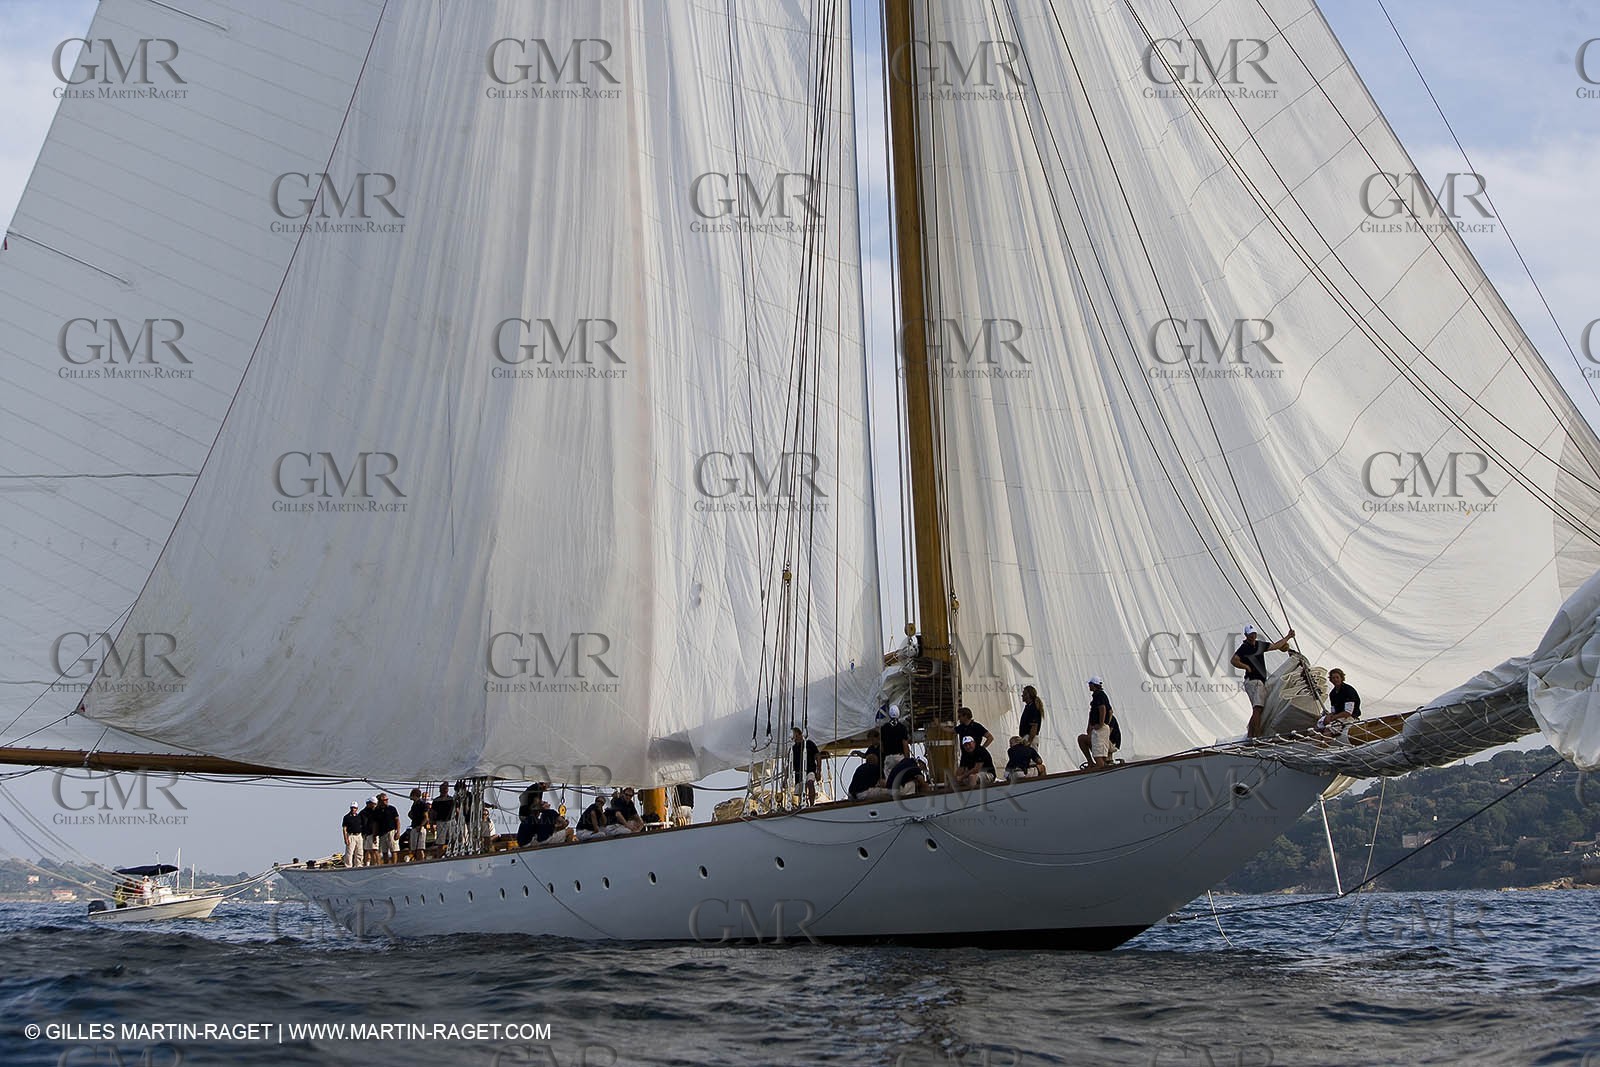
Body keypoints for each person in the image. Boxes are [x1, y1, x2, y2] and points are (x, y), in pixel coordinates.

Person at [1232, 624, 1296, 738]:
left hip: (1257, 681)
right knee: (1258, 709)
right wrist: (1246, 667)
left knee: (1257, 709)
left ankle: (1251, 734)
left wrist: (1288, 637)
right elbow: (1234, 660)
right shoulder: (1245, 647)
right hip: (1254, 681)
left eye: (1254, 634)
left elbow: (1276, 646)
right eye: (1250, 634)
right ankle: (1256, 735)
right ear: (1246, 635)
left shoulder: (1259, 645)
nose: (1252, 636)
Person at [1077, 677, 1118, 768]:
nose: (1089, 686)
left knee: (1098, 757)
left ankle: (1101, 772)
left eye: (1090, 684)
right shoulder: (1098, 695)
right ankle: (1094, 765)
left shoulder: (1099, 695)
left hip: (1100, 729)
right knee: (1098, 755)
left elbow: (1102, 708)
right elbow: (1110, 711)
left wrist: (1101, 723)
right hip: (1099, 728)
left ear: (1093, 685)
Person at [791, 727, 822, 805]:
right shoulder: (793, 749)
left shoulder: (809, 744)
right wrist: (785, 778)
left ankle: (812, 804)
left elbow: (818, 756)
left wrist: (818, 771)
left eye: (794, 735)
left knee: (810, 783)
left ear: (799, 734)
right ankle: (803, 804)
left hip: (810, 769)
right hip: (799, 773)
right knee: (800, 792)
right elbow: (790, 764)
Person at [880, 707, 910, 774]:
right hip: (899, 757)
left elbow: (881, 746)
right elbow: (904, 744)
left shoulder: (884, 728)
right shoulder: (902, 727)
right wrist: (907, 758)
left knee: (889, 779)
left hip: (888, 757)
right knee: (902, 777)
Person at [373, 792, 401, 864]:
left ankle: (394, 865)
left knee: (393, 850)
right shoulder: (377, 811)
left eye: (386, 799)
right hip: (382, 833)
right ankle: (386, 865)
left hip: (391, 831)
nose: (386, 801)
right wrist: (374, 835)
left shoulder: (392, 809)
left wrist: (398, 831)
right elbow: (375, 823)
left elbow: (397, 820)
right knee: (384, 851)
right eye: (384, 800)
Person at [406, 788, 431, 862]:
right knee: (414, 848)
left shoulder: (422, 804)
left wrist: (420, 825)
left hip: (419, 828)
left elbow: (426, 817)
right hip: (414, 827)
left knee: (420, 848)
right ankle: (416, 861)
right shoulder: (414, 804)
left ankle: (421, 861)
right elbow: (410, 814)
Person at [431, 781, 456, 851]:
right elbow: (433, 812)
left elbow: (456, 810)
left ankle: (453, 852)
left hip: (451, 821)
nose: (445, 789)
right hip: (440, 822)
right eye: (443, 788)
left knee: (453, 839)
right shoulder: (436, 800)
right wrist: (432, 823)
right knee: (440, 842)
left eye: (446, 788)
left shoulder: (452, 799)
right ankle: (440, 854)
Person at [341, 803, 365, 868]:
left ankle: (359, 865)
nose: (353, 809)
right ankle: (348, 866)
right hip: (351, 836)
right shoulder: (346, 817)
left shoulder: (359, 816)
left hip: (359, 835)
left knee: (359, 851)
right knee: (349, 852)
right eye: (352, 808)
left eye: (354, 808)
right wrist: (345, 838)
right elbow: (344, 828)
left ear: (357, 809)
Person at [359, 797, 380, 866]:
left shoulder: (376, 812)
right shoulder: (363, 812)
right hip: (366, 834)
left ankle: (376, 864)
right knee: (367, 850)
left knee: (374, 850)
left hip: (373, 833)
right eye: (373, 804)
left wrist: (375, 834)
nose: (374, 805)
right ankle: (367, 864)